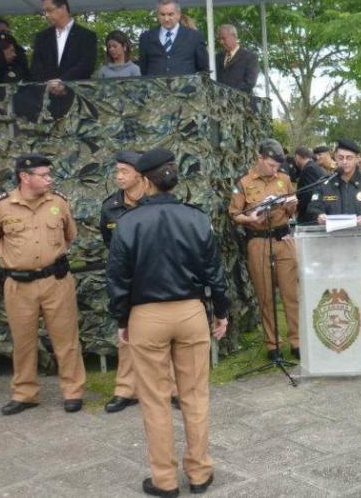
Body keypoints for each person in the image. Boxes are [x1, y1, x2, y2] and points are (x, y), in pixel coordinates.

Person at [107, 148, 229, 497]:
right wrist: (221, 311)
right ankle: (200, 473)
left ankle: (164, 480)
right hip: (191, 313)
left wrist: (121, 318)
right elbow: (214, 273)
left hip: (146, 316)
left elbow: (118, 278)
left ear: (144, 180)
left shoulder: (128, 222)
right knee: (195, 396)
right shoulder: (196, 217)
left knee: (155, 400)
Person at [0, 154, 86, 415]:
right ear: (24, 177)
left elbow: (69, 235)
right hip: (19, 285)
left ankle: (73, 392)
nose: (49, 179)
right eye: (43, 175)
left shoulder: (59, 203)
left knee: (67, 340)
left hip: (56, 281)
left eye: (49, 174)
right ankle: (25, 394)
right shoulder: (2, 206)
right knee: (23, 342)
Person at [99, 151, 180, 413]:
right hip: (128, 278)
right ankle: (126, 389)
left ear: (140, 175)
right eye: (117, 171)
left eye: (124, 171)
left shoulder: (156, 201)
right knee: (126, 334)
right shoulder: (110, 206)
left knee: (168, 334)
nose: (119, 176)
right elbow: (109, 244)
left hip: (158, 275)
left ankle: (174, 389)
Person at [228, 139, 300, 360]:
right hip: (258, 241)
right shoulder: (244, 183)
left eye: (277, 165)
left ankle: (297, 342)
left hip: (283, 239)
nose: (274, 169)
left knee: (291, 294)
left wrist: (291, 204)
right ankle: (273, 345)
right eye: (270, 164)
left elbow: (292, 209)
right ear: (259, 158)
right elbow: (234, 213)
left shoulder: (285, 179)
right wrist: (249, 219)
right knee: (266, 296)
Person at [307, 138, 361, 226]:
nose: (344, 162)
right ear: (335, 158)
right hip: (331, 237)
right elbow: (313, 207)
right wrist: (319, 216)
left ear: (357, 159)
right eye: (340, 158)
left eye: (349, 158)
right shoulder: (324, 183)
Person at [29, 0, 97, 82]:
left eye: (49, 10)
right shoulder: (42, 37)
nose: (46, 15)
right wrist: (50, 83)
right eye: (44, 11)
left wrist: (62, 81)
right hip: (46, 91)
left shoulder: (86, 36)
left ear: (63, 8)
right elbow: (36, 67)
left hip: (75, 91)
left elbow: (86, 65)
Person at [139, 0, 210, 76]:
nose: (166, 19)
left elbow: (203, 69)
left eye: (170, 14)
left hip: (186, 87)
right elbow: (143, 69)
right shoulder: (146, 38)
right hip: (155, 87)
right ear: (157, 15)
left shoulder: (194, 37)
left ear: (179, 14)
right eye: (162, 14)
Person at [215, 24, 259, 93]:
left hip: (241, 101)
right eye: (220, 39)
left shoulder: (250, 57)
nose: (221, 42)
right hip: (219, 102)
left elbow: (250, 83)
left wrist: (229, 92)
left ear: (233, 36)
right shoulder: (218, 57)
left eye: (223, 38)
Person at [294, 146, 327, 224]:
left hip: (309, 216)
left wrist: (297, 207)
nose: (295, 161)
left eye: (295, 158)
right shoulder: (315, 167)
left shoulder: (309, 169)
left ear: (298, 157)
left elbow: (309, 193)